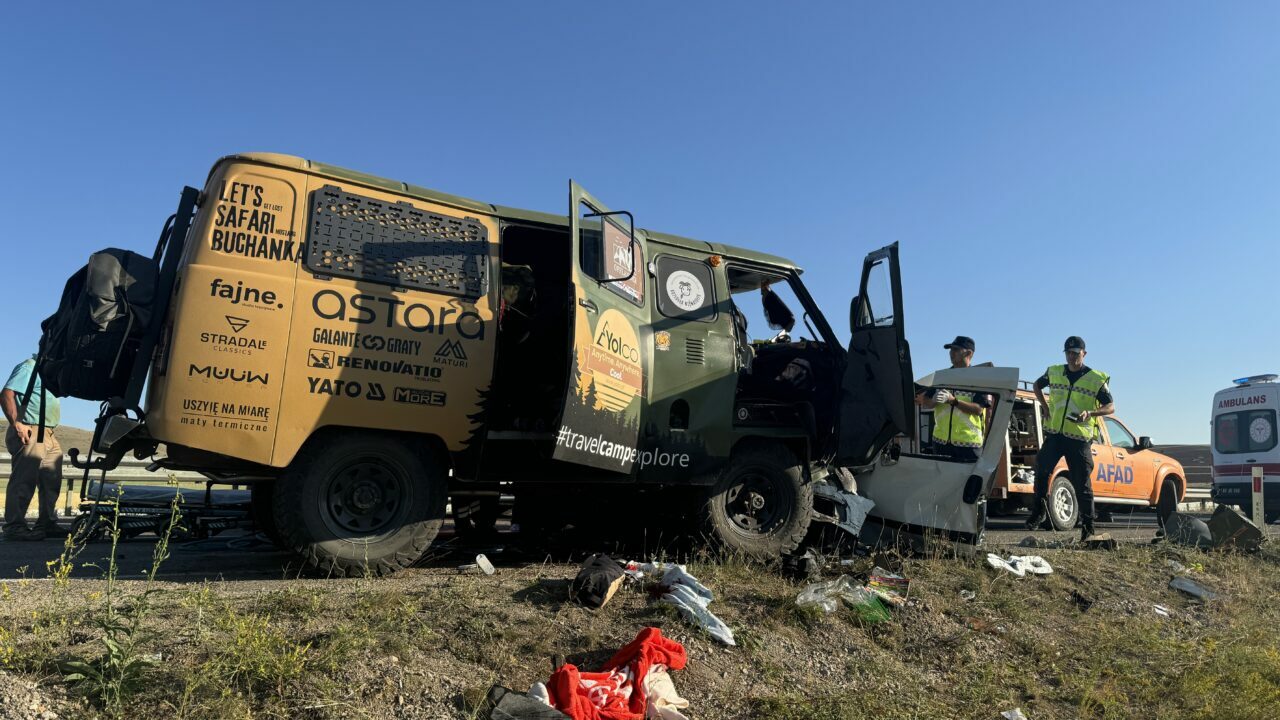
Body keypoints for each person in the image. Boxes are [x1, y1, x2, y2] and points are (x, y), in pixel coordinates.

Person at [1025, 336, 1114, 539]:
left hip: (1079, 438)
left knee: (1082, 482)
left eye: (1076, 353)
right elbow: (1037, 386)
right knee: (1041, 469)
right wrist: (1045, 407)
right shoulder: (1054, 371)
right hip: (1056, 434)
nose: (1072, 357)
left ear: (1084, 353)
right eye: (1068, 353)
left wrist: (1090, 413)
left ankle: (1088, 526)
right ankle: (1038, 511)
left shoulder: (1096, 378)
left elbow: (1111, 407)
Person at [1, 355, 66, 541]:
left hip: (48, 432)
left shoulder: (49, 373)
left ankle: (47, 523)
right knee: (24, 479)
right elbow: (6, 394)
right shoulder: (29, 367)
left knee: (51, 478)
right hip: (31, 428)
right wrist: (17, 424)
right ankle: (14, 527)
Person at [917, 336, 991, 462]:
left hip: (968, 445)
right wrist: (933, 401)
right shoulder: (941, 376)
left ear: (969, 353)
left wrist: (954, 401)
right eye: (950, 350)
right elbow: (926, 402)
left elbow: (979, 409)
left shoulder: (978, 379)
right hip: (940, 443)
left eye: (956, 349)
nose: (951, 353)